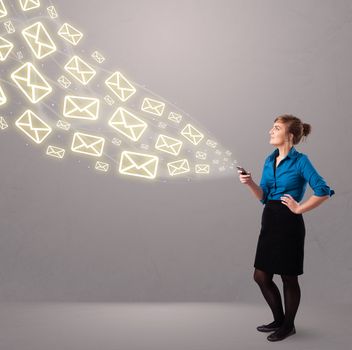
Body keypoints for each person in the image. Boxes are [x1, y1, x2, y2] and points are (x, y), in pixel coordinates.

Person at [238, 114, 335, 342]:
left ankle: (288, 326)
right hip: (269, 219)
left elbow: (323, 190)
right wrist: (249, 183)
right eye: (272, 127)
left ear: (289, 135)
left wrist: (300, 209)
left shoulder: (301, 161)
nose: (271, 131)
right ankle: (279, 320)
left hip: (289, 223)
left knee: (288, 277)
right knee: (261, 276)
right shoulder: (268, 159)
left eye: (276, 128)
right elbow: (264, 196)